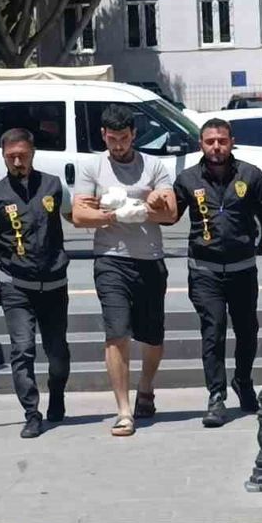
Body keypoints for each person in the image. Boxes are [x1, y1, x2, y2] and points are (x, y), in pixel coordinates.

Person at [172, 118, 262, 427]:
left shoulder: (250, 175)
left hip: (242, 269)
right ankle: (216, 396)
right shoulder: (187, 178)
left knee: (247, 331)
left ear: (231, 142)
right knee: (214, 331)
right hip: (204, 270)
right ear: (201, 144)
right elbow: (170, 214)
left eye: (222, 141)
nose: (216, 147)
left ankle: (243, 380)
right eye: (210, 142)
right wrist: (154, 205)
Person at [71, 105, 176, 437]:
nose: (118, 145)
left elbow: (170, 213)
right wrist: (113, 215)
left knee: (152, 336)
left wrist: (139, 209)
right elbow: (79, 215)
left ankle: (146, 388)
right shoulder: (92, 167)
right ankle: (124, 410)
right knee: (116, 333)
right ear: (104, 135)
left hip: (149, 258)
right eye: (112, 139)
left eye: (124, 138)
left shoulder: (153, 166)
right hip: (110, 258)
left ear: (134, 135)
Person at [0, 128, 73, 438]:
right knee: (22, 349)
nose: (17, 162)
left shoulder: (54, 186)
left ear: (33, 153)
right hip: (16, 286)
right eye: (11, 157)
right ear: (3, 157)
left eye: (22, 156)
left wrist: (109, 214)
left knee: (57, 353)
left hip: (54, 284)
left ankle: (57, 394)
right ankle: (31, 413)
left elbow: (75, 215)